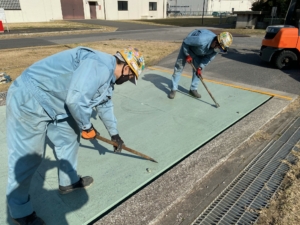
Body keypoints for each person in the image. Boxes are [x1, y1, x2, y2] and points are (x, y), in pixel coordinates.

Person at [6, 46, 145, 225]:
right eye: (131, 76)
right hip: (29, 99)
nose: (129, 80)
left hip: (56, 105)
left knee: (70, 138)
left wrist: (114, 134)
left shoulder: (108, 78)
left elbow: (104, 104)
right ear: (126, 68)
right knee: (28, 158)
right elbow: (76, 100)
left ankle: (68, 182)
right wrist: (87, 127)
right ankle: (19, 211)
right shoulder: (99, 65)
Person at [169, 29, 233, 99]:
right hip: (188, 47)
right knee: (179, 68)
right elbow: (186, 42)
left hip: (199, 52)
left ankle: (193, 89)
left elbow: (208, 58)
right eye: (220, 48)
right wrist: (187, 55)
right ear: (216, 42)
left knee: (198, 72)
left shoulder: (216, 49)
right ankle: (173, 89)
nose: (219, 50)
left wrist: (200, 67)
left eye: (221, 49)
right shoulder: (201, 40)